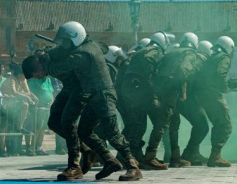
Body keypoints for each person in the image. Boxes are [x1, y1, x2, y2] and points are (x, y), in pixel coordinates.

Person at [22, 21, 142, 182]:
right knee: (84, 131)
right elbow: (103, 47)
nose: (63, 45)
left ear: (75, 38)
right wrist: (53, 51)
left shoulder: (83, 54)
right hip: (91, 95)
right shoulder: (87, 46)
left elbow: (57, 69)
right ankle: (108, 159)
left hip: (103, 95)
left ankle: (133, 167)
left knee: (112, 133)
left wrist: (46, 59)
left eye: (65, 41)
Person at [143, 32, 197, 169]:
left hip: (160, 89)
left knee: (174, 123)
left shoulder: (172, 52)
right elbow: (184, 72)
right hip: (171, 91)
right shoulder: (190, 53)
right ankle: (150, 157)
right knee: (162, 123)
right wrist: (184, 92)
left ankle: (175, 157)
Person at [120, 31, 174, 168]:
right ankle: (148, 158)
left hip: (129, 91)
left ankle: (130, 157)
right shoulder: (157, 52)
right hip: (143, 92)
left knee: (137, 126)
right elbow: (152, 75)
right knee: (160, 122)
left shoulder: (140, 52)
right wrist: (155, 96)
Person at [194, 36, 234, 167]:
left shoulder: (211, 57)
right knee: (225, 125)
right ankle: (215, 156)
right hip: (212, 95)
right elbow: (220, 73)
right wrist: (225, 88)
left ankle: (213, 155)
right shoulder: (224, 57)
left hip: (202, 95)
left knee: (218, 124)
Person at [27, 75, 54, 155]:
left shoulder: (48, 80)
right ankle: (32, 147)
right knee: (38, 127)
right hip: (38, 107)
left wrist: (52, 102)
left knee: (43, 128)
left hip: (47, 108)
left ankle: (39, 147)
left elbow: (51, 92)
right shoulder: (34, 79)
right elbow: (29, 91)